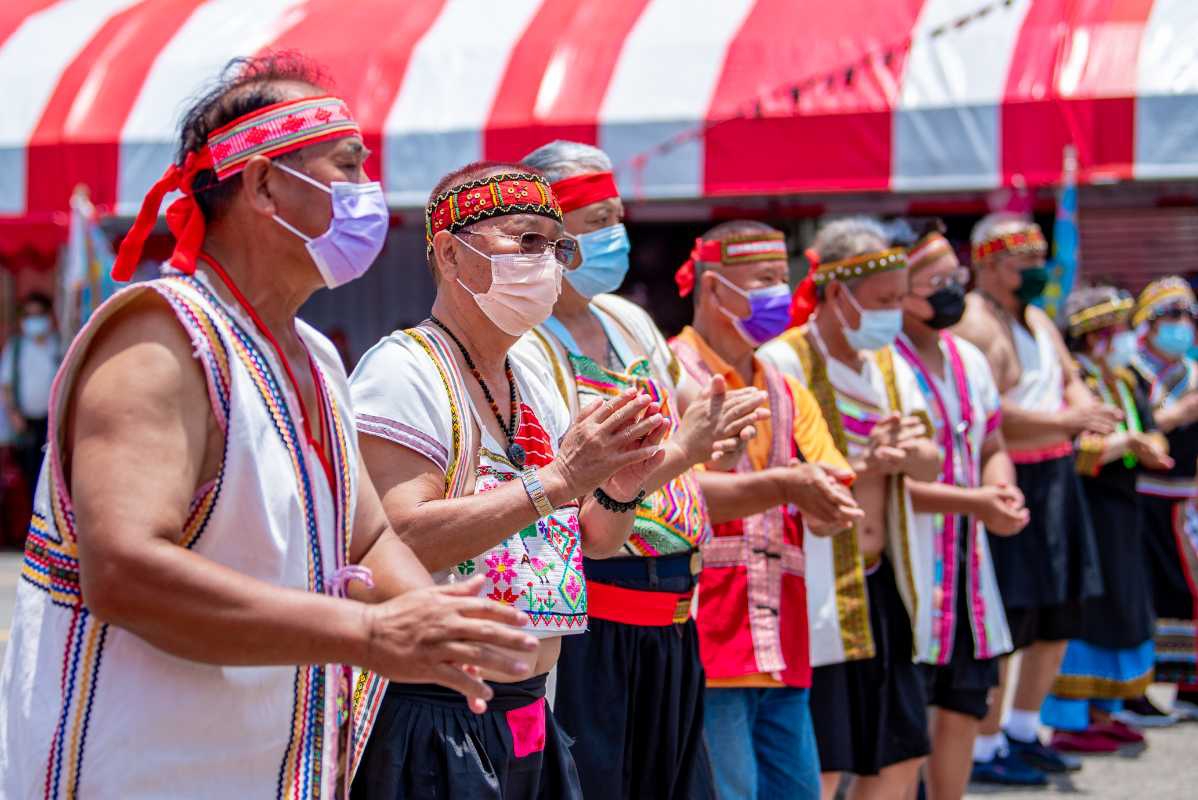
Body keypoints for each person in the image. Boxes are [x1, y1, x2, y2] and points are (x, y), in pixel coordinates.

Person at [0, 55, 542, 799]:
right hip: (137, 774)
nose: (367, 193)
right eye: (347, 167)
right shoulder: (159, 340)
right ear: (262, 185)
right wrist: (371, 636)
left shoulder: (313, 356)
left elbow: (368, 537)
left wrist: (434, 620)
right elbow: (125, 571)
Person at [349, 161, 669, 799]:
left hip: (530, 705)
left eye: (558, 246)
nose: (549, 262)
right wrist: (559, 478)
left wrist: (620, 483)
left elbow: (592, 542)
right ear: (450, 252)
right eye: (526, 240)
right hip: (432, 709)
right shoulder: (402, 371)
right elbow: (395, 541)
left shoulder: (532, 374)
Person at [513, 142, 769, 799]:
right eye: (597, 222)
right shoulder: (526, 342)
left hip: (673, 612)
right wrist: (685, 447)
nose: (616, 236)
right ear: (550, 234)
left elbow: (697, 423)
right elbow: (588, 482)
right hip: (595, 616)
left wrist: (726, 429)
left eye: (617, 218)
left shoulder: (628, 319)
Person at [665, 219, 865, 799]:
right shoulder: (670, 371)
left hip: (781, 630)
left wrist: (826, 501)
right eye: (765, 280)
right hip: (706, 629)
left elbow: (830, 488)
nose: (781, 293)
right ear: (712, 288)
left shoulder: (784, 386)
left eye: (784, 278)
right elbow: (679, 494)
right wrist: (791, 486)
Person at [760, 216, 942, 800]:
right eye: (884, 301)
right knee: (826, 758)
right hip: (815, 588)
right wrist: (871, 463)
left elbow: (933, 459)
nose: (895, 313)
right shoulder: (782, 362)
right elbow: (776, 476)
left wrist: (911, 453)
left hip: (887, 581)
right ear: (837, 293)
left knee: (899, 752)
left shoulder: (890, 363)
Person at [952, 213, 1113, 783]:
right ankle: (987, 745)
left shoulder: (1039, 318)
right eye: (1025, 261)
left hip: (1058, 476)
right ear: (990, 263)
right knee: (1009, 619)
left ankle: (1024, 729)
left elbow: (1069, 374)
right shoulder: (974, 323)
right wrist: (1068, 418)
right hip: (1010, 477)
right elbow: (990, 415)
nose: (1038, 272)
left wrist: (1083, 406)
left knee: (1059, 611)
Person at [894, 225, 1026, 798]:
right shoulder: (884, 363)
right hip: (910, 567)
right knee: (908, 712)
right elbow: (890, 484)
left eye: (956, 278)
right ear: (899, 290)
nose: (950, 290)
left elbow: (992, 443)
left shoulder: (967, 357)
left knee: (963, 703)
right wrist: (979, 502)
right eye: (935, 281)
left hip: (969, 566)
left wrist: (1003, 490)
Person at [1040, 286, 1173, 751]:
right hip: (1086, 505)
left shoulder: (1125, 377)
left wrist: (1151, 446)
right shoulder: (1071, 381)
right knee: (1089, 608)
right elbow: (1071, 448)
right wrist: (1123, 446)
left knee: (1123, 604)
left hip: (1122, 507)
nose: (1119, 337)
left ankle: (1104, 709)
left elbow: (1152, 431)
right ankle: (1068, 720)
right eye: (1110, 328)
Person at [1127, 276, 1198, 723]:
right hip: (1140, 499)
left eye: (1188, 315)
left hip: (1184, 498)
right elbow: (1139, 427)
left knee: (1186, 590)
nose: (1182, 324)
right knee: (1145, 591)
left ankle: (1187, 684)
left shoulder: (1192, 371)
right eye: (1170, 316)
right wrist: (1179, 414)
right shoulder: (1132, 372)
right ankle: (1136, 686)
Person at [0, 291, 61, 500]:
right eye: (29, 315)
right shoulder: (16, 347)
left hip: (51, 424)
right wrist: (13, 415)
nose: (34, 320)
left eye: (39, 314)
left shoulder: (58, 344)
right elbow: (5, 384)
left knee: (51, 477)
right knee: (27, 477)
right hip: (24, 424)